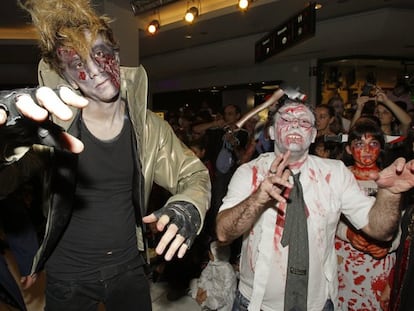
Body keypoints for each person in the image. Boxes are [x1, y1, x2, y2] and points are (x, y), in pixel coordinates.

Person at [0, 1, 211, 311]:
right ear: (68, 77)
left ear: (116, 54)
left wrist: (188, 207)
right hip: (68, 275)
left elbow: (193, 174)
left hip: (129, 269)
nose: (96, 69)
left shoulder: (148, 127)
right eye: (77, 62)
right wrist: (5, 141)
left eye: (100, 53)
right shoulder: (48, 128)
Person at [215, 92, 414, 311]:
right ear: (271, 132)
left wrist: (390, 195)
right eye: (286, 120)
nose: (295, 125)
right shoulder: (249, 173)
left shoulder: (335, 174)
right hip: (254, 303)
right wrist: (259, 198)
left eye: (303, 122)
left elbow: (380, 230)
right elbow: (223, 233)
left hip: (318, 305)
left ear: (313, 135)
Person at [335, 118, 399, 310]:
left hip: (378, 265)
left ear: (381, 148)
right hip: (343, 262)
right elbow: (325, 215)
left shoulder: (393, 179)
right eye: (359, 144)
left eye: (373, 143)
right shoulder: (338, 177)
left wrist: (389, 244)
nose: (367, 150)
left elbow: (404, 224)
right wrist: (347, 233)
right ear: (348, 149)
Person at [189, 241, 237, 311]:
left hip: (223, 297)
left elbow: (225, 293)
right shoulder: (212, 262)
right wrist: (200, 289)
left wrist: (207, 293)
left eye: (210, 253)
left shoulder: (228, 270)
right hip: (213, 287)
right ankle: (200, 302)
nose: (209, 254)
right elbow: (204, 275)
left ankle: (204, 305)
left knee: (214, 303)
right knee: (194, 282)